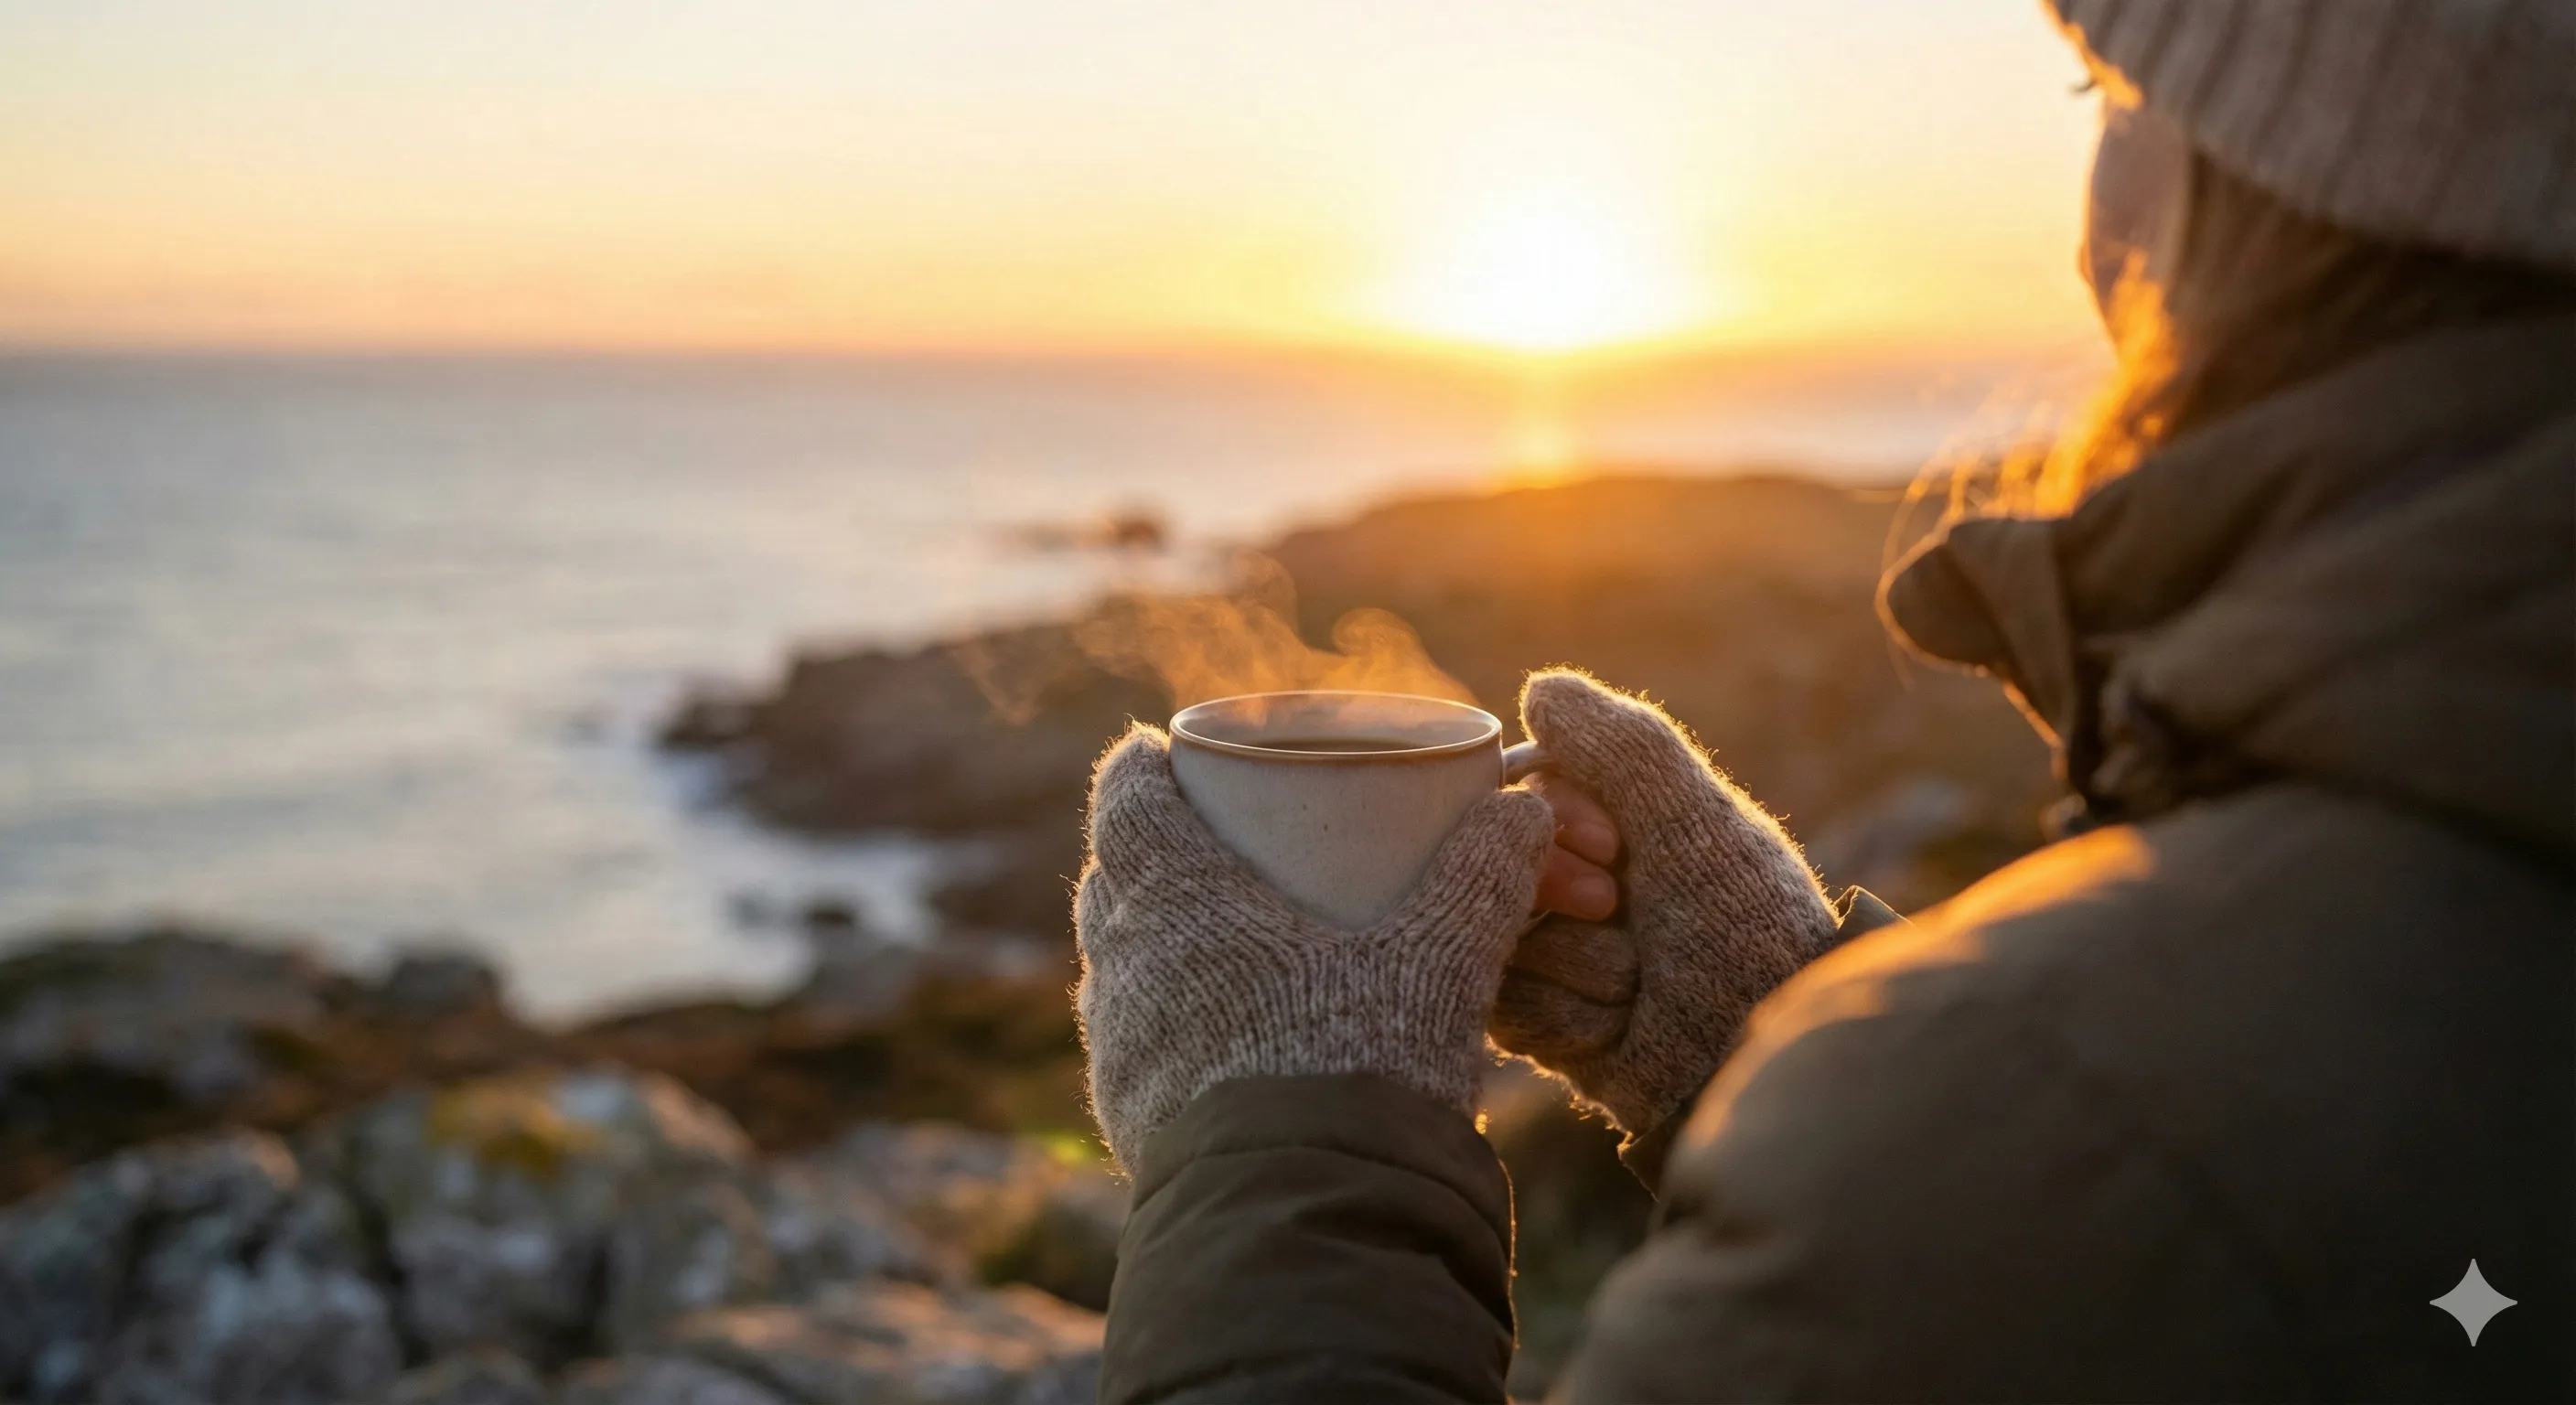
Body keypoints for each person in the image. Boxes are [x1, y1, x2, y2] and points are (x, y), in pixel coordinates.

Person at [1069, 0, 2576, 1398]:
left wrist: (1282, 1126)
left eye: (2111, 95)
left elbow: (2180, 1190)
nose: (2087, 234)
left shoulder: (2069, 1087)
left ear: (2299, 192)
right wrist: (1769, 1025)